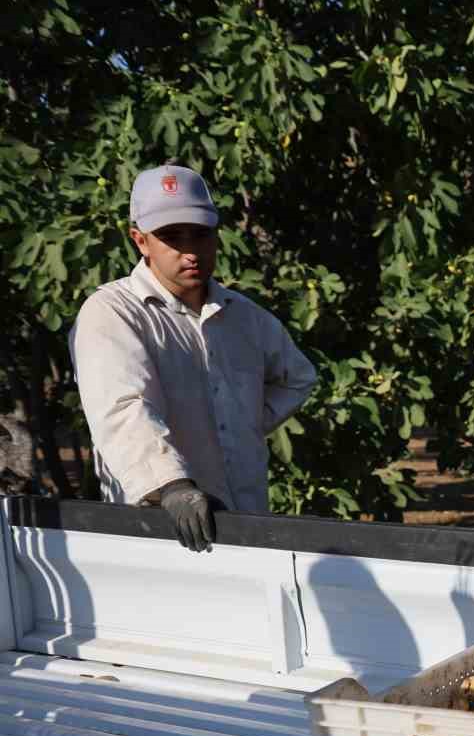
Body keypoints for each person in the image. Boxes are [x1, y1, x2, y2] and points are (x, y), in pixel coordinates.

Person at [69, 163, 318, 552]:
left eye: (200, 235)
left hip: (247, 524)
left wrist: (240, 424)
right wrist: (172, 484)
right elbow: (121, 408)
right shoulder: (112, 312)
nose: (190, 251)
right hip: (161, 530)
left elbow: (297, 377)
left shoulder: (244, 317)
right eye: (171, 237)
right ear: (141, 241)